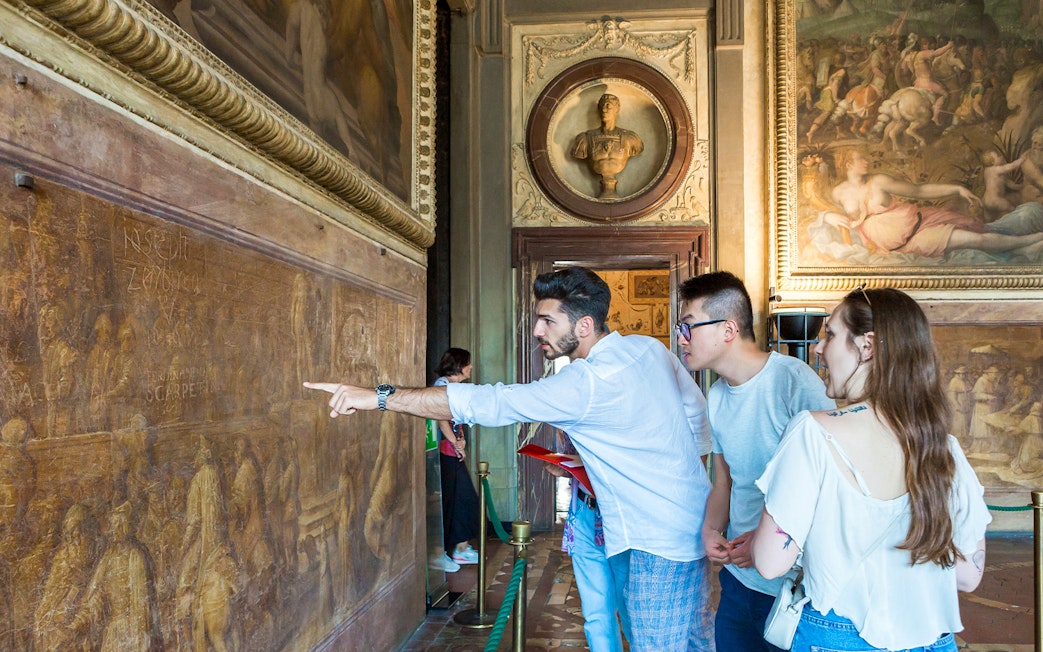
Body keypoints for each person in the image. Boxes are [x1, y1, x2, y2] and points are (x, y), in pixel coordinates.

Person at [306, 266, 715, 651]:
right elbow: (696, 415)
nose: (536, 330)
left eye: (548, 321)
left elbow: (488, 402)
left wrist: (377, 397)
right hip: (686, 520)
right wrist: (677, 477)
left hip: (656, 542)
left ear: (584, 326)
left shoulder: (584, 382)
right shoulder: (649, 349)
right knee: (694, 639)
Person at [750, 287, 990, 652]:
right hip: (931, 639)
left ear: (867, 346)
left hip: (836, 636)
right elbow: (969, 575)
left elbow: (769, 563)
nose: (818, 348)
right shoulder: (944, 448)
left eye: (830, 335)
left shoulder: (812, 433)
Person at [678, 271, 834, 652]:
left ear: (728, 329)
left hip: (793, 583)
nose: (681, 338)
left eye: (689, 326)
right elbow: (724, 481)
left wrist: (767, 543)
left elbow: (830, 484)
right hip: (739, 579)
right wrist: (711, 530)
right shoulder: (716, 395)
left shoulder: (793, 381)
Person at [827, 149, 1043, 258]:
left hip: (920, 224)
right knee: (975, 240)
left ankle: (1032, 240)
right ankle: (1028, 246)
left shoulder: (879, 181)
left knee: (976, 238)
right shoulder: (839, 192)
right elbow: (820, 211)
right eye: (860, 159)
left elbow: (919, 191)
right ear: (848, 164)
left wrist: (957, 189)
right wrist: (827, 216)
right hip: (908, 244)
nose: (866, 161)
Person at [549, 431, 632, 652]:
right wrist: (566, 468)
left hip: (623, 517)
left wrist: (586, 462)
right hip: (585, 513)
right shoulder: (569, 414)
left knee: (633, 610)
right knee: (596, 612)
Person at [432, 347, 480, 569]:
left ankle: (460, 548)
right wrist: (455, 443)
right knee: (453, 500)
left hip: (453, 450)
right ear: (459, 366)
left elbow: (457, 421)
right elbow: (442, 420)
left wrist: (461, 441)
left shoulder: (455, 386)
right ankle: (442, 552)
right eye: (468, 363)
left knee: (464, 498)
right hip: (443, 452)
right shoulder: (441, 386)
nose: (471, 367)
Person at [570, 94, 645, 198]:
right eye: (601, 106)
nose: (604, 110)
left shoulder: (630, 138)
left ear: (617, 109)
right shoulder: (586, 138)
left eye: (608, 106)